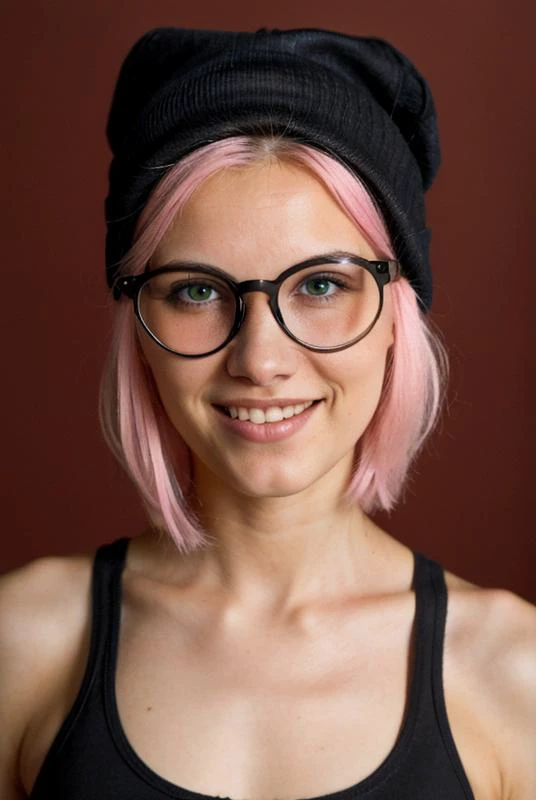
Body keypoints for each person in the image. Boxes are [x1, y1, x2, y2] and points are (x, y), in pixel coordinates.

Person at [0, 25, 535, 800]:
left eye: (321, 284)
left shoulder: (514, 674)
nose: (259, 358)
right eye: (196, 290)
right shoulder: (21, 644)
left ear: (397, 314)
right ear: (138, 331)